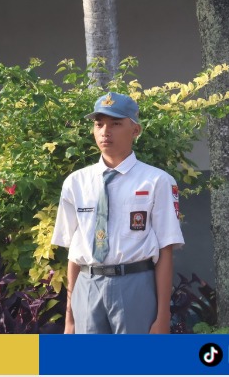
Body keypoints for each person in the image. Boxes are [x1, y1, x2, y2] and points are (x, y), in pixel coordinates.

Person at [51, 91, 184, 334]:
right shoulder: (76, 182)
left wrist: (163, 314)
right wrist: (69, 318)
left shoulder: (156, 181)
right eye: (99, 124)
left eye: (115, 124)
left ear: (135, 130)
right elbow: (73, 252)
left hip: (134, 284)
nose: (105, 131)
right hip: (87, 286)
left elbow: (165, 250)